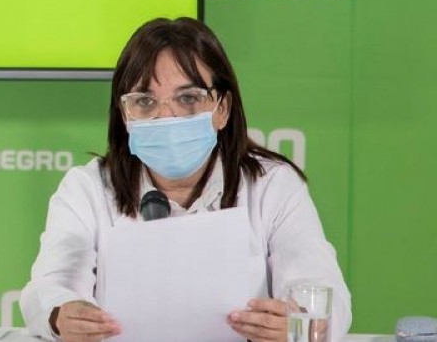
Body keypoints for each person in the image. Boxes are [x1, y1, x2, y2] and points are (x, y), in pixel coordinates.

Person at [19, 17, 351, 342]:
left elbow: (324, 293)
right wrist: (61, 315)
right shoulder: (88, 188)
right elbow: (49, 289)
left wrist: (300, 323)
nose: (166, 116)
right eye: (145, 101)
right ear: (124, 115)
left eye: (188, 98)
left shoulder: (272, 186)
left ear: (222, 108)